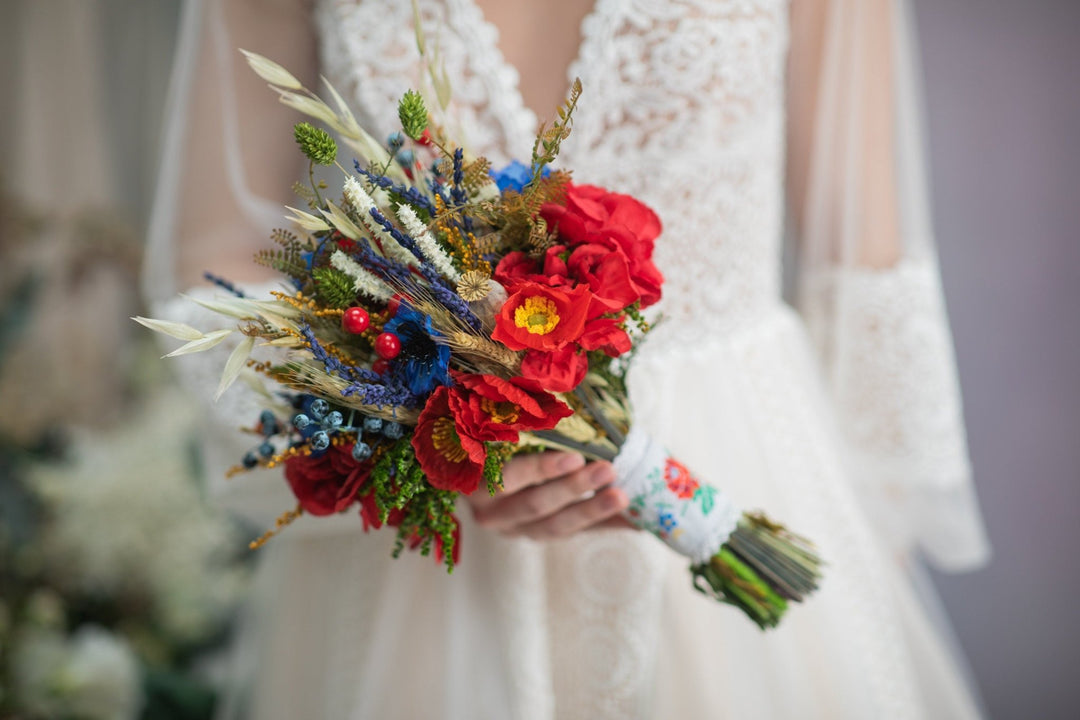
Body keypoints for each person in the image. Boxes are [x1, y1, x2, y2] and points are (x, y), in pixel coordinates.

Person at [144, 0, 992, 717]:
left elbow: (864, 265)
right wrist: (419, 437)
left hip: (747, 456)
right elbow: (215, 269)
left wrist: (876, 537)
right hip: (431, 545)